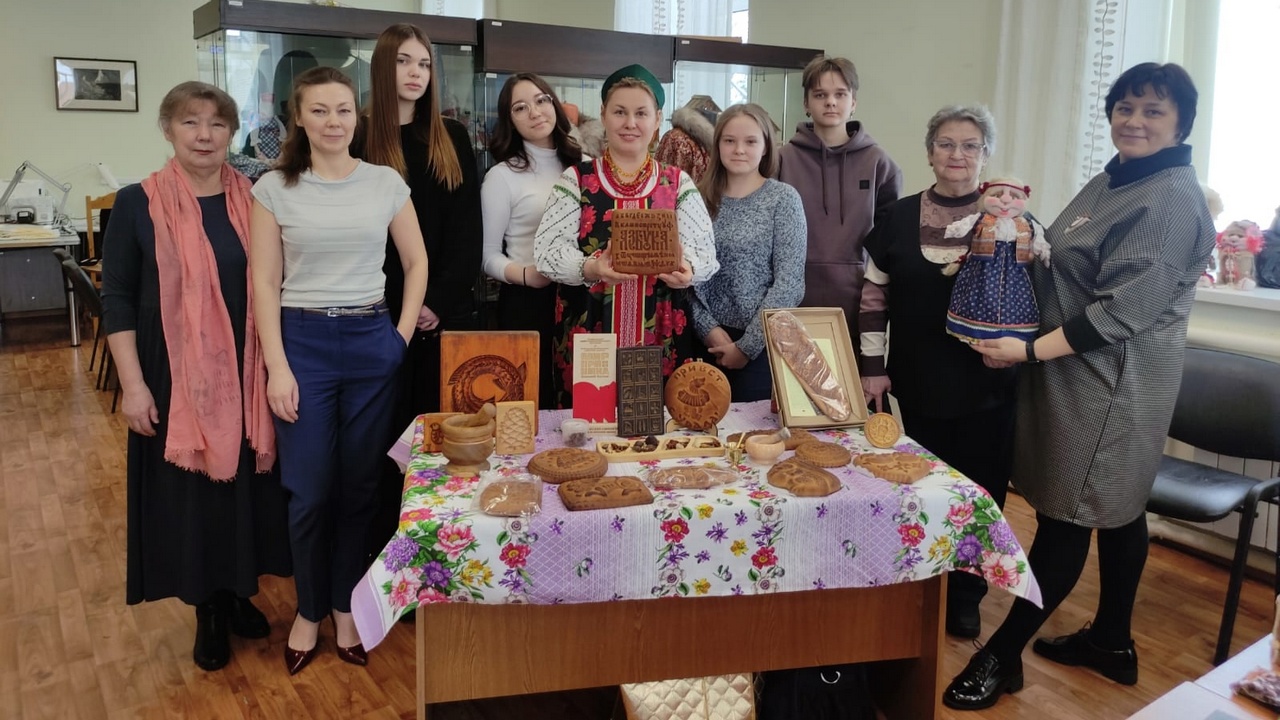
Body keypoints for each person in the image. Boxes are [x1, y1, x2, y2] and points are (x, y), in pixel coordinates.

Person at [942, 62, 1216, 710]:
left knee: (1067, 518)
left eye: (1153, 110)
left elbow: (1122, 310)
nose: (1134, 120)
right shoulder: (1114, 178)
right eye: (1125, 107)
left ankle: (1000, 657)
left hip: (1111, 387)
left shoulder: (1170, 199)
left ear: (1181, 123)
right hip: (1071, 374)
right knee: (1121, 510)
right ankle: (1113, 643)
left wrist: (1027, 349)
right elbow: (1061, 260)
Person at [102, 81, 291, 672]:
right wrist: (133, 386)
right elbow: (117, 298)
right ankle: (206, 607)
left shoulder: (257, 197)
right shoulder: (136, 203)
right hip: (175, 373)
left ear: (231, 132)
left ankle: (238, 591)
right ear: (168, 130)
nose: (204, 135)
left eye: (216, 123)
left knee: (244, 487)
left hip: (247, 365)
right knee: (193, 495)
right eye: (190, 122)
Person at [250, 66, 428, 675]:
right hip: (302, 343)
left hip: (371, 339)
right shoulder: (274, 188)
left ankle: (345, 606)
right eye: (319, 110)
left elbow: (415, 261)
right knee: (308, 491)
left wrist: (399, 337)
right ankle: (308, 610)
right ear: (299, 118)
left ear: (358, 116)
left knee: (360, 489)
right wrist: (277, 367)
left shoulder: (385, 182)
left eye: (343, 110)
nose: (333, 121)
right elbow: (263, 283)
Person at [857, 105, 1017, 640]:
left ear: (985, 154)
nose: (957, 155)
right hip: (918, 384)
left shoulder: (1009, 219)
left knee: (981, 491)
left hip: (989, 385)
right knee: (920, 489)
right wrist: (872, 367)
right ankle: (923, 583)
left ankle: (966, 594)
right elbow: (873, 299)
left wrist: (1016, 349)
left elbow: (1033, 296)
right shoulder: (898, 218)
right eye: (946, 144)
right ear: (929, 153)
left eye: (970, 145)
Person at [354, 22, 481, 562]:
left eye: (424, 64)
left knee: (435, 442)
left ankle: (434, 553)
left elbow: (466, 231)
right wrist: (397, 304)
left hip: (440, 317)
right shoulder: (357, 137)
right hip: (373, 313)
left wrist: (436, 302)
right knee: (378, 443)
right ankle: (381, 557)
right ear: (382, 68)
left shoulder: (451, 137)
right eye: (404, 61)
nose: (415, 73)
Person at [534, 63, 719, 407]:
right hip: (590, 330)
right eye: (620, 112)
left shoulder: (678, 183)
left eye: (641, 113)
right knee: (589, 427)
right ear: (604, 115)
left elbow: (705, 253)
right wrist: (591, 268)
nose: (630, 123)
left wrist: (688, 270)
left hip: (661, 331)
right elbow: (547, 252)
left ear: (657, 119)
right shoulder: (576, 179)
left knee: (656, 427)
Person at [777, 55, 902, 344]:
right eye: (820, 95)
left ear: (853, 101)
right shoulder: (781, 160)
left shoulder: (880, 163)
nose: (830, 102)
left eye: (840, 94)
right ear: (806, 103)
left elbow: (886, 243)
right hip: (791, 299)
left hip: (856, 302)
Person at [481, 73, 584, 408]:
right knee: (530, 403)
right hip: (529, 299)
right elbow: (486, 255)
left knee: (583, 399)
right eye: (520, 107)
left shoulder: (586, 166)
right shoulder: (502, 176)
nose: (535, 112)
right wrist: (527, 275)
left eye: (541, 100)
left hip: (582, 298)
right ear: (509, 120)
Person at [691, 103, 806, 401]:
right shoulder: (696, 198)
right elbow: (684, 277)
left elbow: (790, 284)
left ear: (766, 147)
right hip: (702, 341)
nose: (739, 149)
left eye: (751, 141)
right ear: (718, 145)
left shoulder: (783, 200)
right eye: (729, 140)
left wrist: (746, 347)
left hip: (762, 348)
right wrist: (708, 329)